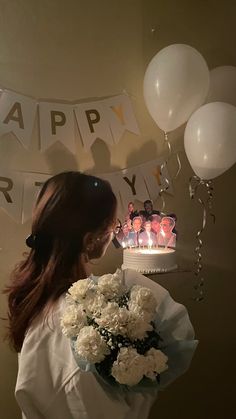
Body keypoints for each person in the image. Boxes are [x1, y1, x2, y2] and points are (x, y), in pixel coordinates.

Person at [4, 172, 196, 419]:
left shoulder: (39, 299)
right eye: (112, 224)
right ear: (91, 239)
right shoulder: (85, 325)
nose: (115, 230)